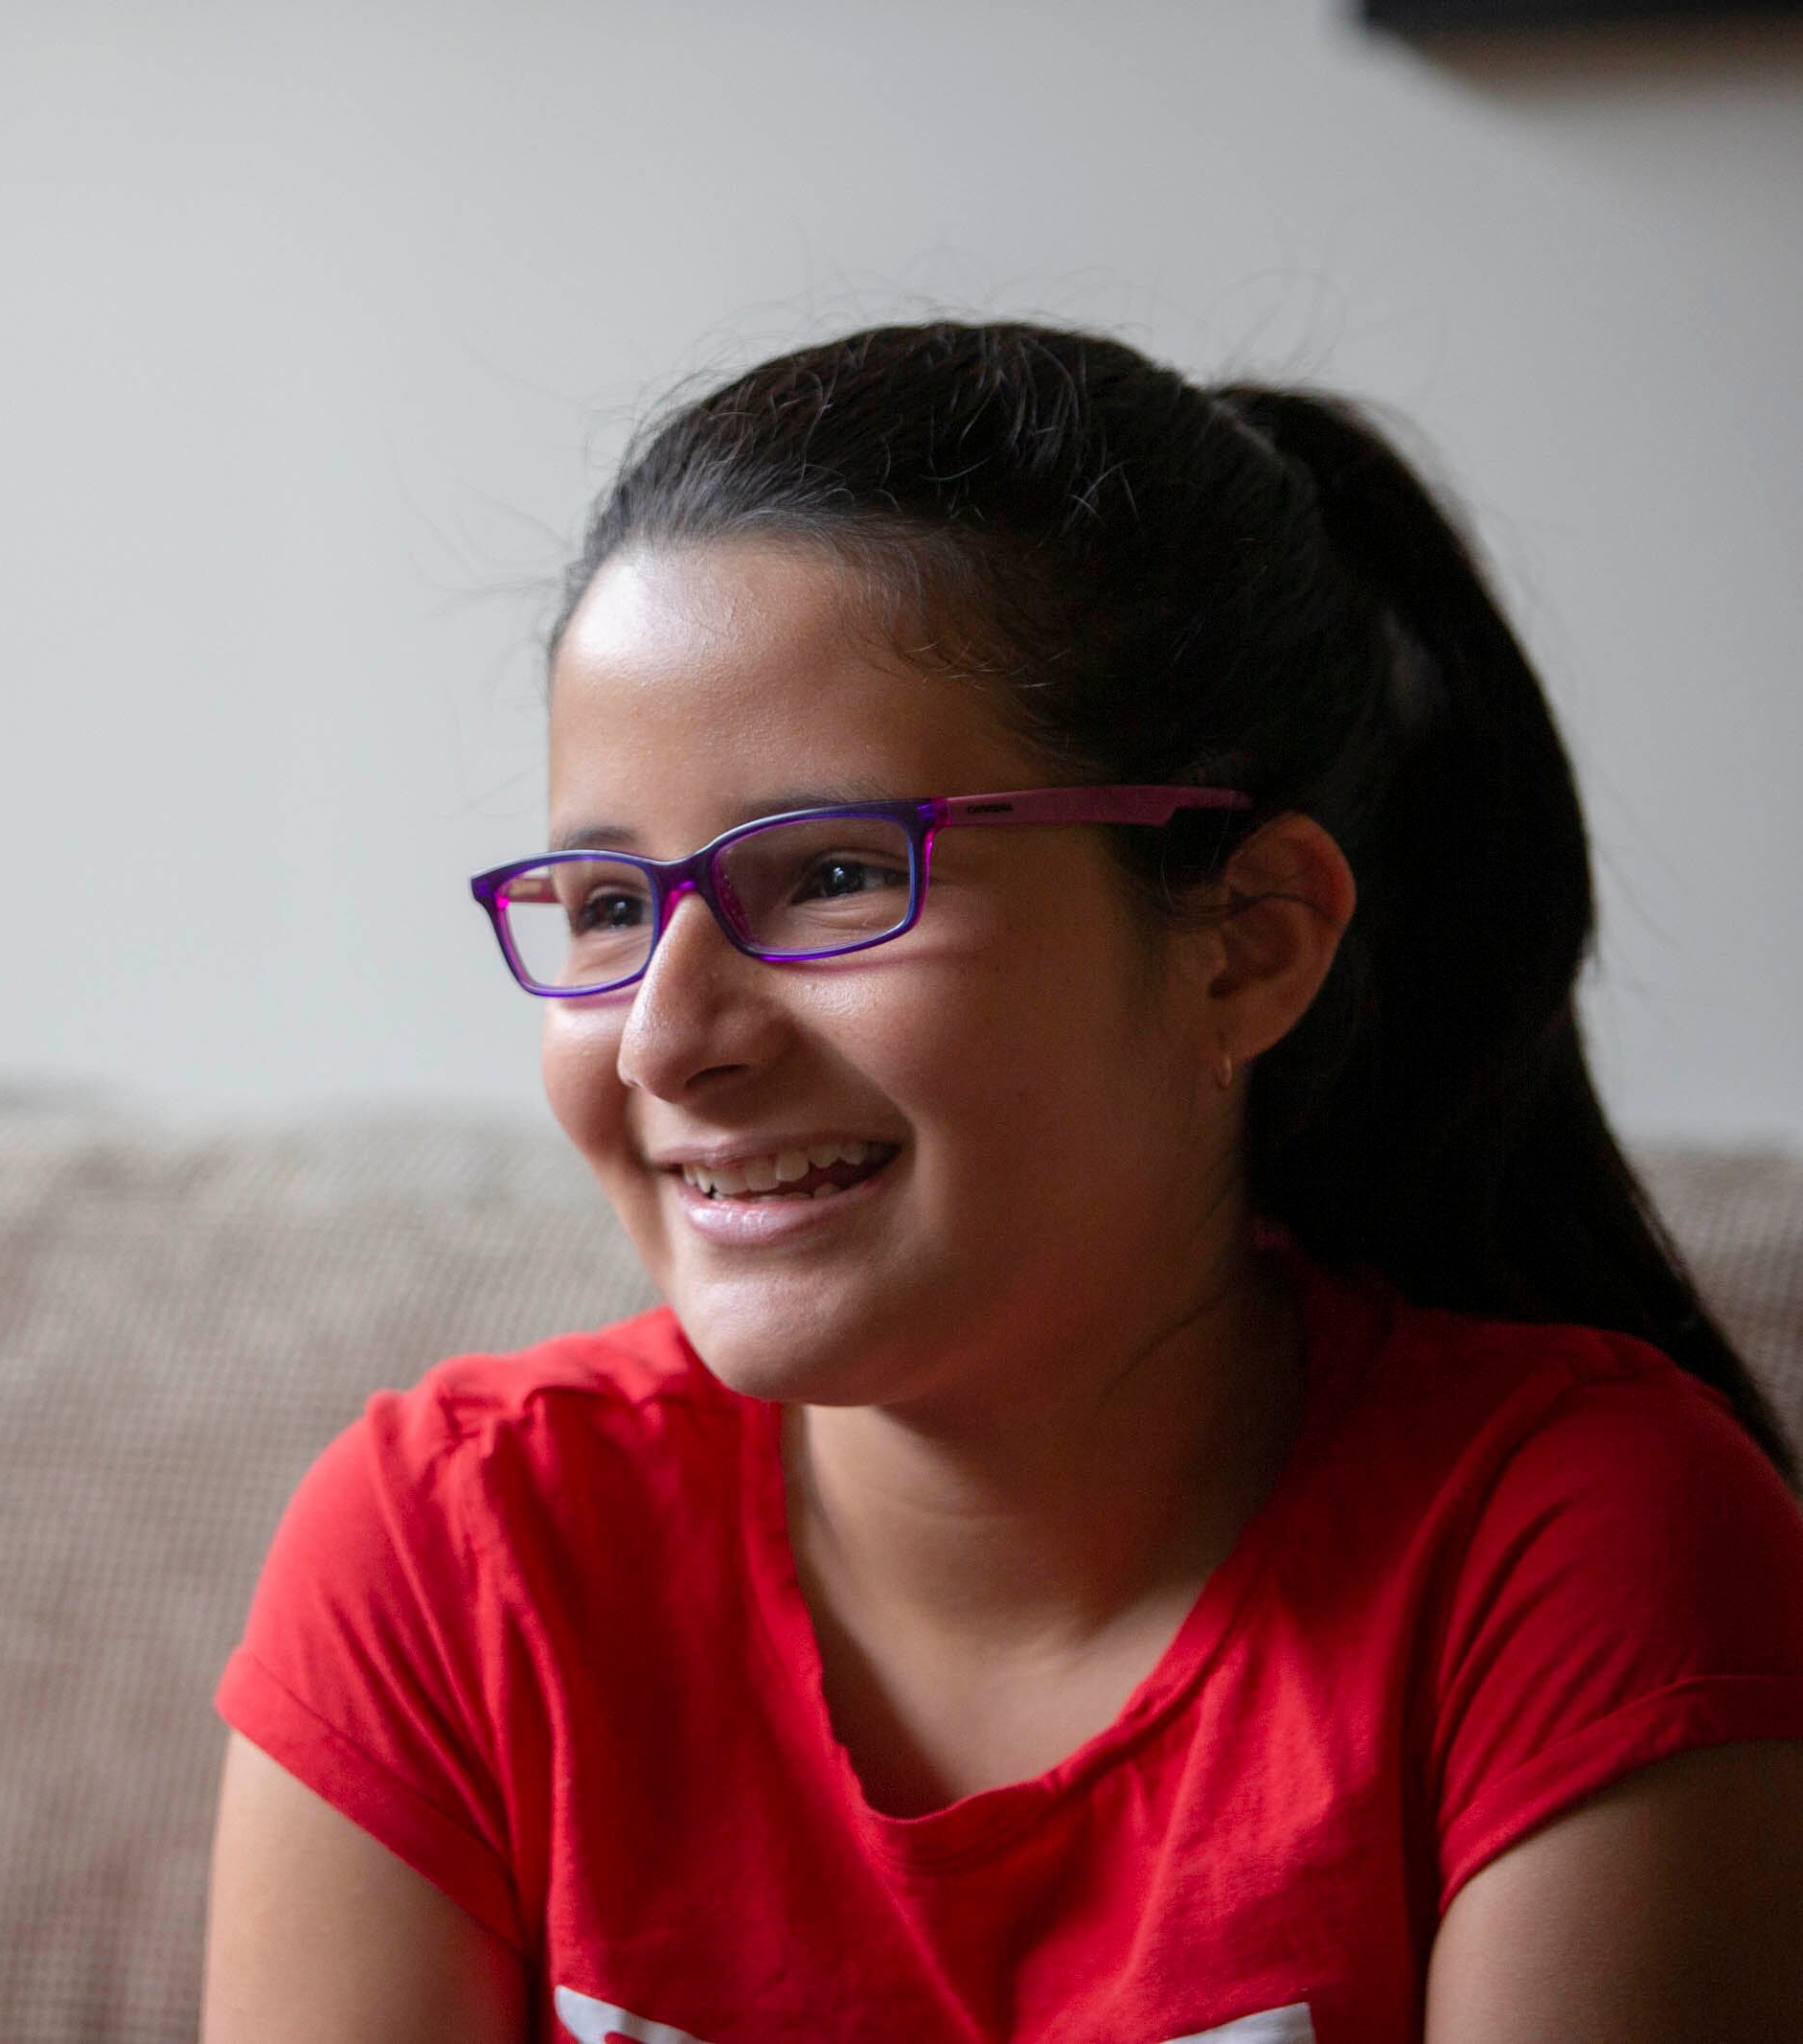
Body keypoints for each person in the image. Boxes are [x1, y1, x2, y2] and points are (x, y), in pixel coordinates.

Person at [198, 321, 1803, 2043]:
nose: (666, 1038)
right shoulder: (451, 1554)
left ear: (1249, 944)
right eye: (604, 908)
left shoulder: (1578, 1558)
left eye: (833, 874)